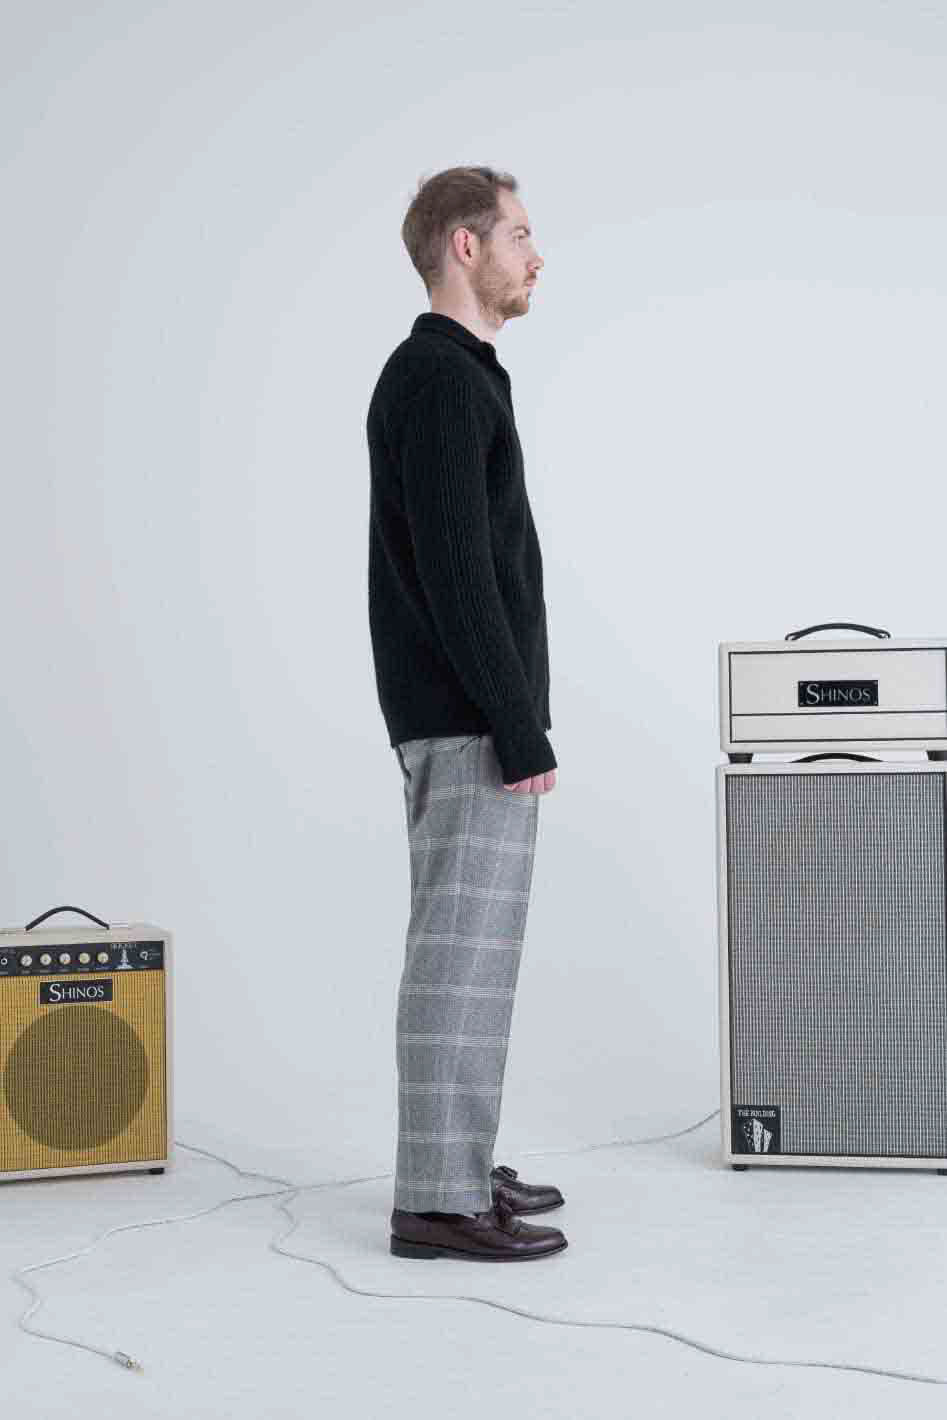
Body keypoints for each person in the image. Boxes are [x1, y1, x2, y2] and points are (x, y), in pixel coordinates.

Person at [366, 166, 568, 1262]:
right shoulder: (439, 378)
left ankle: (456, 1160)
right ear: (464, 246)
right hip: (466, 718)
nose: (536, 256)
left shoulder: (458, 373)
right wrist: (516, 724)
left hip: (463, 712)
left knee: (470, 951)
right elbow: (455, 572)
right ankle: (436, 1201)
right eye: (519, 235)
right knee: (459, 957)